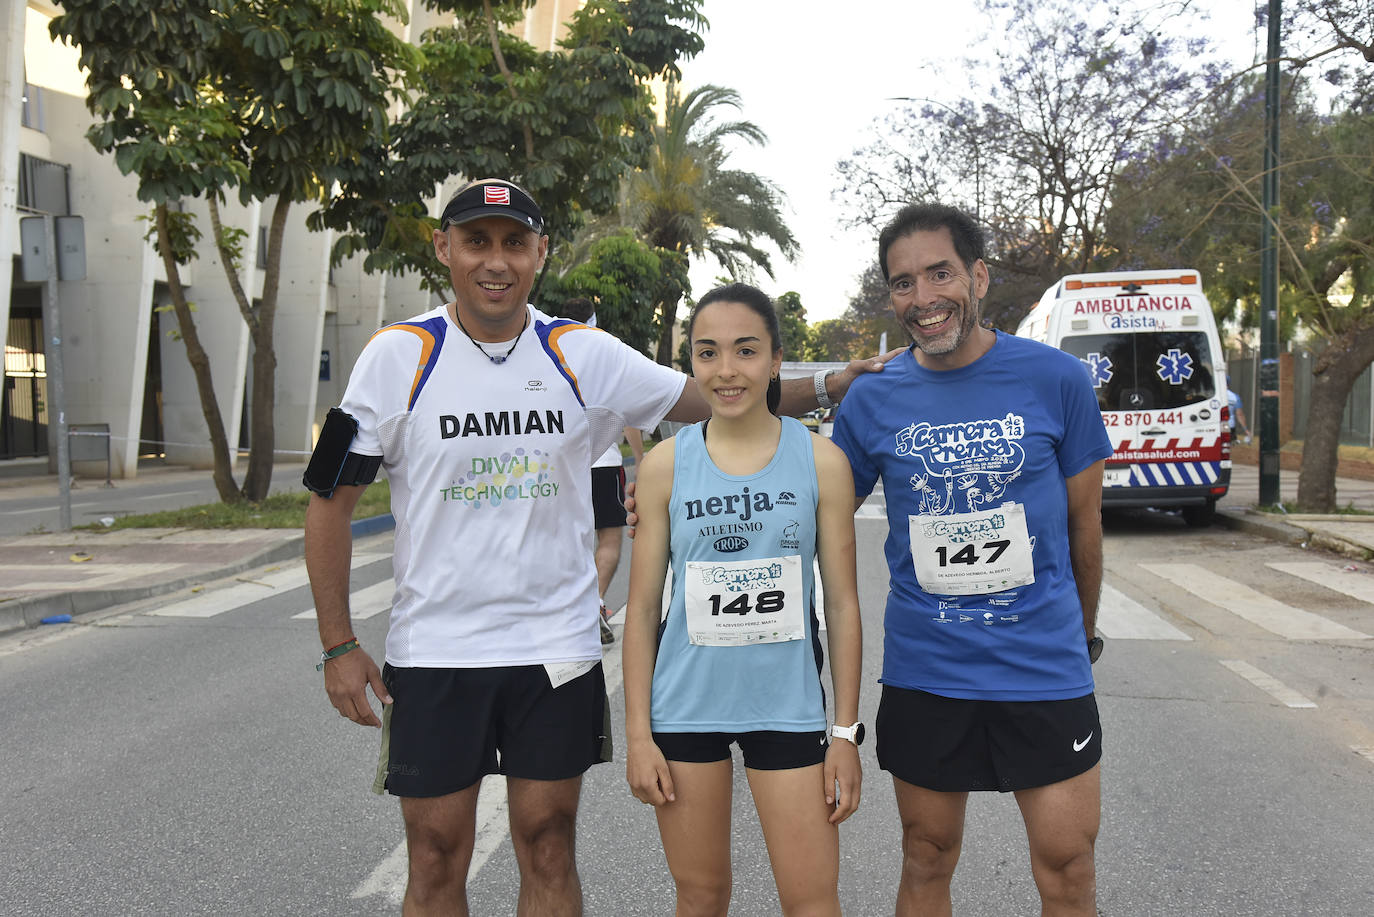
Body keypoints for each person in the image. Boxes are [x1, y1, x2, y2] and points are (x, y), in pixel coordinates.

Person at [303, 177, 889, 916]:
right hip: (436, 652)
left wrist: (834, 381)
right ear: (442, 247)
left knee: (548, 841)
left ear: (540, 253)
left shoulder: (581, 353)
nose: (496, 261)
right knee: (435, 853)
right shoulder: (397, 356)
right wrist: (337, 642)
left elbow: (715, 390)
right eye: (477, 241)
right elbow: (330, 500)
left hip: (556, 648)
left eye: (515, 243)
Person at [828, 203, 1113, 916]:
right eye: (902, 282)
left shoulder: (1057, 380)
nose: (922, 298)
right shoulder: (872, 402)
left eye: (940, 272)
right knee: (926, 856)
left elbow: (1086, 526)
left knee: (1068, 864)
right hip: (930, 671)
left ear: (979, 277)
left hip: (1044, 668)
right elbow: (809, 506)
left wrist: (1078, 638)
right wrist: (675, 491)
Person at [622, 283, 863, 917]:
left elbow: (841, 607)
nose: (726, 371)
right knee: (701, 896)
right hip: (685, 710)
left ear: (778, 359)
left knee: (812, 900)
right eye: (707, 353)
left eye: (746, 350)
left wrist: (845, 733)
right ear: (691, 364)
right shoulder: (664, 467)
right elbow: (643, 610)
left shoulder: (821, 462)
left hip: (787, 708)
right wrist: (638, 734)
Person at [557, 297, 646, 644]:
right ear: (593, 320)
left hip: (561, 469)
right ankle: (592, 604)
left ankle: (568, 609)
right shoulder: (605, 358)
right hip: (605, 467)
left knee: (565, 542)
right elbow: (628, 417)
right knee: (609, 541)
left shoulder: (546, 359)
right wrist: (639, 459)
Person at [1226, 377, 1251, 444]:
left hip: (1214, 426)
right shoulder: (1234, 397)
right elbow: (1240, 415)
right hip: (1230, 426)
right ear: (1228, 384)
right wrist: (1246, 430)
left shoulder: (1212, 395)